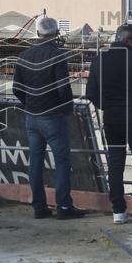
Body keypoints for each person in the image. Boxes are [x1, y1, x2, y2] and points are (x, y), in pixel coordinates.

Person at [12, 17, 86, 220]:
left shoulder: (24, 55)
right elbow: (63, 89)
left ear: (37, 33)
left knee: (35, 162)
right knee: (62, 161)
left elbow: (16, 89)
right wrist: (67, 109)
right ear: (55, 34)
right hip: (53, 117)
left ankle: (39, 207)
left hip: (32, 117)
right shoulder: (58, 55)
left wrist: (29, 104)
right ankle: (64, 207)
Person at [86, 23, 132, 224]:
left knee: (115, 164)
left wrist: (107, 106)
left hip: (112, 119)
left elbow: (91, 92)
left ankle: (118, 211)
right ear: (128, 40)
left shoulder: (99, 61)